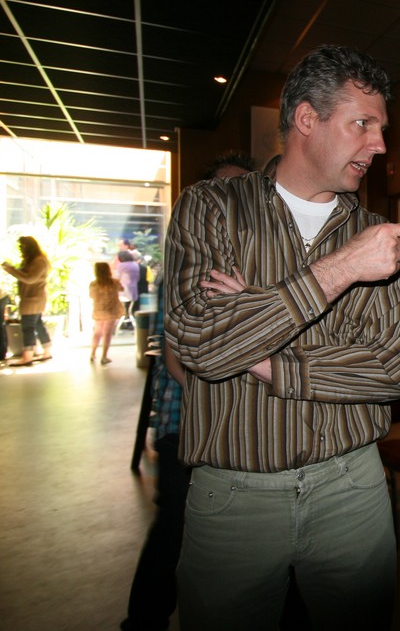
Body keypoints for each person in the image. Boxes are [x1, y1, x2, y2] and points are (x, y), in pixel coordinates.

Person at [164, 45, 400, 631]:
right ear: (306, 119)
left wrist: (260, 351)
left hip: (353, 486)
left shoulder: (379, 233)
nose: (379, 145)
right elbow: (200, 345)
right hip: (233, 495)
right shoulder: (212, 208)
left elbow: (390, 372)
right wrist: (342, 269)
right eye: (362, 124)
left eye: (381, 129)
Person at [120, 152, 256, 631]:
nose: (236, 202)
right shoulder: (191, 260)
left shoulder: (251, 258)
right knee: (176, 529)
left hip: (232, 425)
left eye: (245, 192)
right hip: (189, 425)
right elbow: (182, 358)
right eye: (226, 191)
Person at [1, 235, 53, 366]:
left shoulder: (38, 261)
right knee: (38, 324)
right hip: (33, 298)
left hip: (33, 299)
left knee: (28, 327)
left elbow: (30, 279)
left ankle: (28, 356)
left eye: (22, 247)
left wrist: (11, 270)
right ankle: (47, 351)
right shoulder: (35, 260)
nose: (20, 249)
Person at [89, 262, 121, 364]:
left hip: (98, 310)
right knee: (107, 333)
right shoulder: (114, 282)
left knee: (97, 332)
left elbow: (91, 296)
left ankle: (92, 354)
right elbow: (122, 289)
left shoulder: (93, 284)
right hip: (111, 310)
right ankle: (104, 356)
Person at [116, 250, 140, 329]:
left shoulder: (121, 266)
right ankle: (130, 323)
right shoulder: (135, 265)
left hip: (123, 291)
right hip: (134, 290)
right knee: (130, 310)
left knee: (122, 309)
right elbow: (138, 278)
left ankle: (122, 324)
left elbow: (117, 278)